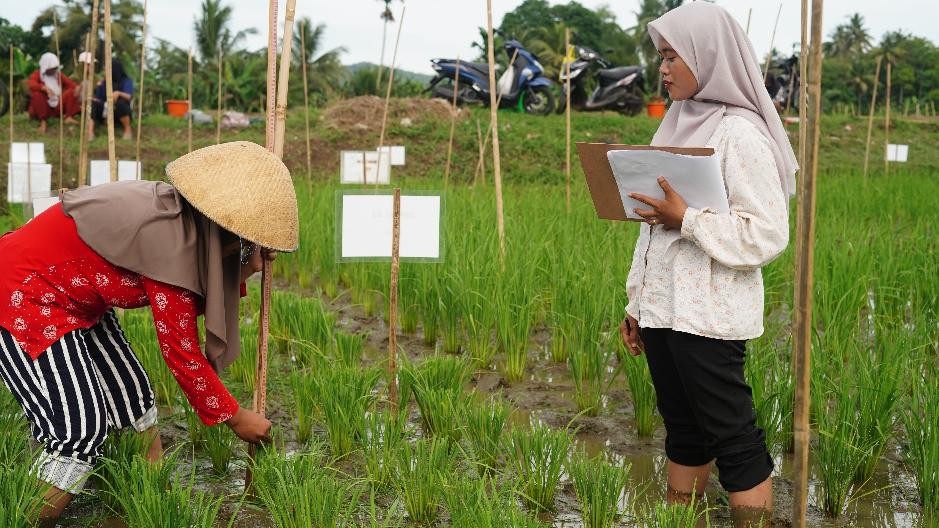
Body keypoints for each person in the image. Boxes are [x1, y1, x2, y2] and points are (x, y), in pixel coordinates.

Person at [0, 141, 299, 526]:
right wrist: (236, 417)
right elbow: (182, 352)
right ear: (224, 232)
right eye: (245, 247)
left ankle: (153, 500)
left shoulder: (183, 217)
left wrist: (249, 260)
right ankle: (20, 518)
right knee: (77, 432)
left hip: (77, 300)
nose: (249, 256)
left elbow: (209, 279)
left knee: (134, 397)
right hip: (22, 293)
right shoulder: (170, 246)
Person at [618, 3, 796, 527]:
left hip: (710, 316)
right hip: (664, 311)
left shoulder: (740, 134)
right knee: (683, 430)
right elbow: (652, 227)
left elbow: (767, 232)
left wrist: (689, 219)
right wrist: (638, 304)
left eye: (672, 56)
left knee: (733, 436)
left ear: (707, 56)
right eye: (660, 57)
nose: (663, 68)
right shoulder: (675, 126)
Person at [27, 53, 81, 133]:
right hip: (43, 106)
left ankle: (68, 117)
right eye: (52, 69)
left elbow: (71, 84)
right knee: (37, 95)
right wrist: (44, 88)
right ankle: (43, 122)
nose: (54, 70)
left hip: (57, 106)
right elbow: (31, 84)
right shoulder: (37, 74)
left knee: (70, 92)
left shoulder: (58, 75)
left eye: (55, 68)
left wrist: (77, 88)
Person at [91, 59, 135, 140]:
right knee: (93, 103)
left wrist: (119, 93)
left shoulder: (126, 81)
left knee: (121, 103)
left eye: (106, 70)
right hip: (105, 112)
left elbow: (129, 96)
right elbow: (98, 98)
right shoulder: (104, 82)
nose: (104, 72)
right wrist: (96, 92)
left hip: (120, 112)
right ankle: (90, 132)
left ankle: (127, 130)